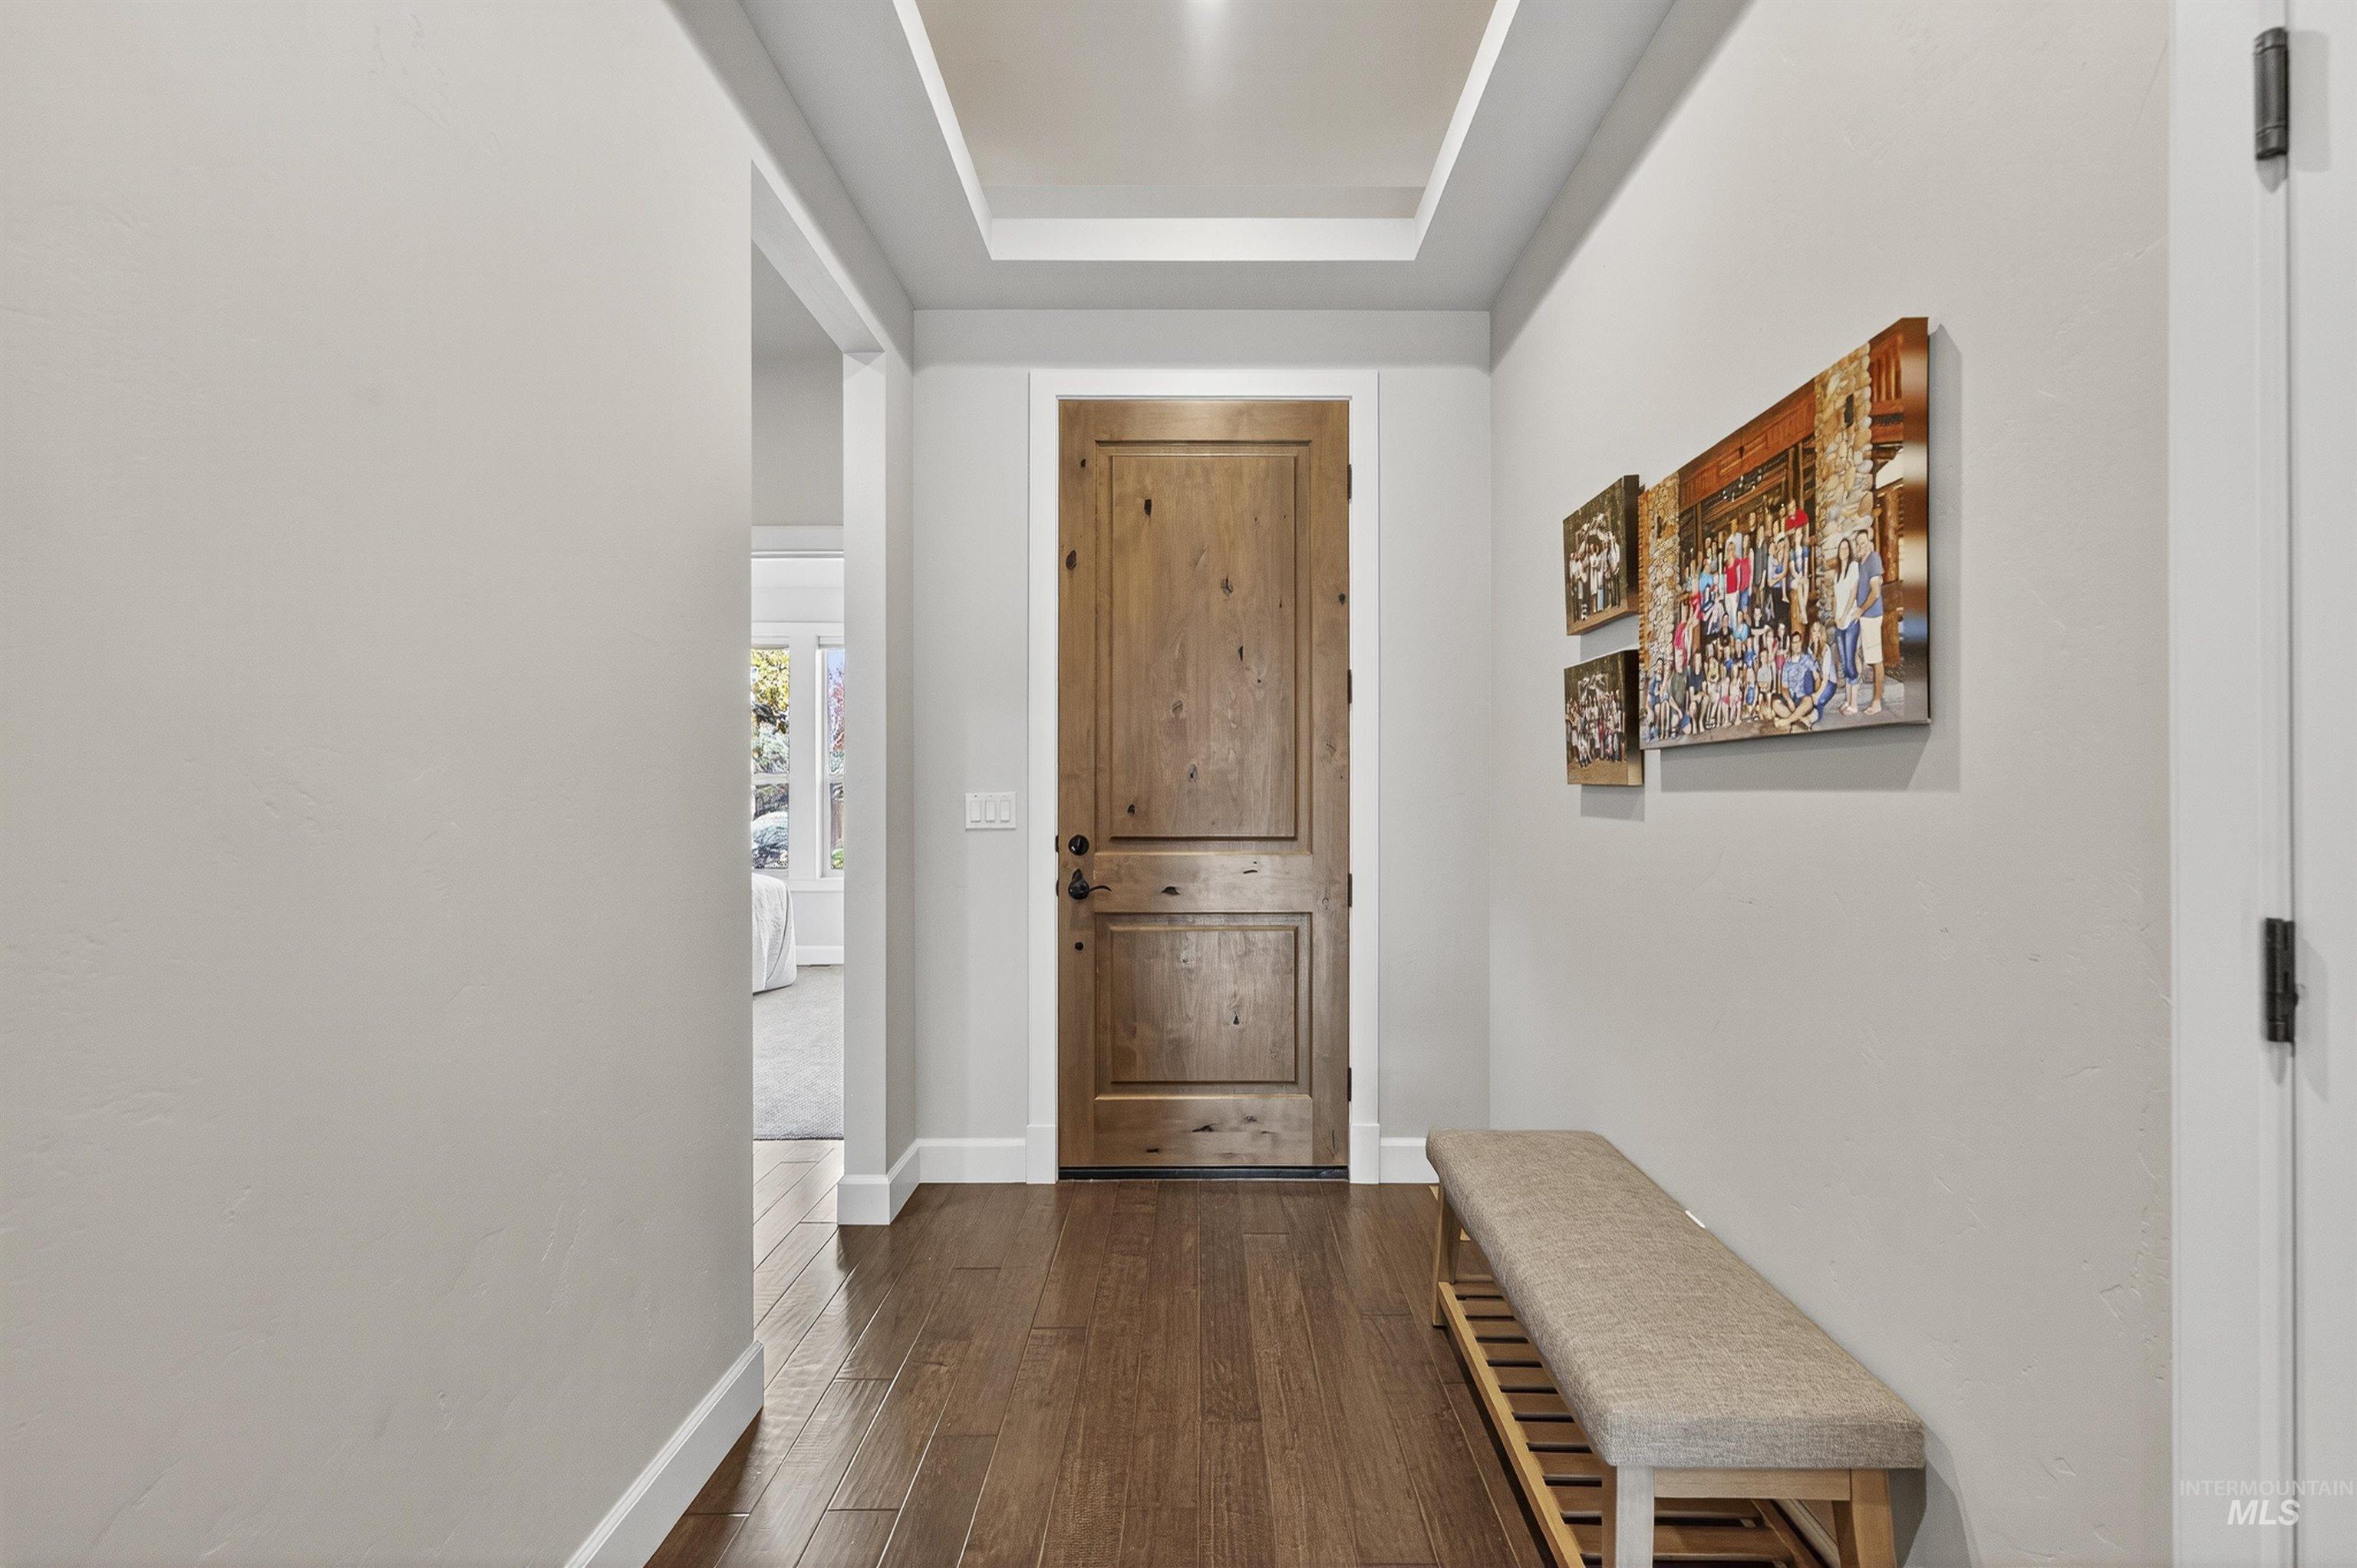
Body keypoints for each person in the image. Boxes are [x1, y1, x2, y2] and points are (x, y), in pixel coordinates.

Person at [1851, 526, 1887, 715]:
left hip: (1871, 616)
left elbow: (1876, 591)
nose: (1861, 547)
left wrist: (1861, 610)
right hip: (1864, 617)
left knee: (1876, 659)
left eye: (1863, 543)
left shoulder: (1873, 559)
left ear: (1869, 543)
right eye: (1858, 544)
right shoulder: (1861, 563)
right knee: (1865, 656)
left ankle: (1877, 701)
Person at [1831, 535, 1861, 707]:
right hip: (1839, 622)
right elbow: (1836, 598)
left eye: (1846, 548)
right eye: (1841, 549)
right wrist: (1836, 615)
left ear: (1849, 551)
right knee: (1843, 661)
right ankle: (1848, 701)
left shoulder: (1854, 567)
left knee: (1850, 662)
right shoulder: (1837, 573)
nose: (1843, 551)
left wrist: (1844, 616)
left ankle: (1854, 704)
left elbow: (1853, 593)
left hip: (1850, 622)